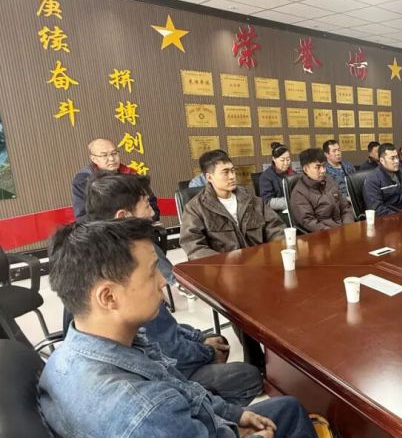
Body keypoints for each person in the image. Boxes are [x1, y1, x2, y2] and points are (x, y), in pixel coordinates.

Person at [40, 218, 316, 438]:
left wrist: (234, 416)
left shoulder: (64, 356)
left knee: (289, 407)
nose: (164, 281)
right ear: (108, 297)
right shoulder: (147, 409)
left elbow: (180, 386)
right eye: (152, 271)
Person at [82, 171, 263, 405]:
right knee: (247, 376)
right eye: (146, 205)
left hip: (155, 357)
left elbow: (166, 327)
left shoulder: (95, 254)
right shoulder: (127, 273)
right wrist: (206, 351)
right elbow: (165, 347)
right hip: (159, 376)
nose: (152, 213)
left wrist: (198, 338)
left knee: (213, 339)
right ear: (123, 216)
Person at [180, 150, 285, 368]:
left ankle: (283, 357)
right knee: (242, 306)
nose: (232, 176)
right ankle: (256, 362)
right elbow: (193, 246)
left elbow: (276, 228)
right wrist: (229, 264)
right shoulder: (196, 208)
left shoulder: (251, 200)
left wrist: (277, 252)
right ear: (209, 177)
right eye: (225, 172)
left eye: (233, 171)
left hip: (261, 268)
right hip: (227, 274)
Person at [71, 138, 159, 221]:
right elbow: (83, 218)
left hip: (138, 226)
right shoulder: (84, 180)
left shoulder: (130, 174)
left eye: (114, 153)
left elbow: (152, 206)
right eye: (104, 155)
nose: (111, 159)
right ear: (93, 159)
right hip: (104, 229)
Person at [291, 148, 355, 232]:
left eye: (324, 166)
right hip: (324, 234)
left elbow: (345, 207)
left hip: (342, 229)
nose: (323, 170)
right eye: (317, 167)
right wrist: (332, 232)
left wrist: (347, 226)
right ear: (305, 169)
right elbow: (308, 221)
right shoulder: (299, 192)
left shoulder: (329, 181)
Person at [363, 143, 402, 217]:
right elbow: (377, 209)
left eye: (397, 157)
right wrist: (401, 216)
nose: (396, 161)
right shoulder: (372, 179)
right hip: (388, 219)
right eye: (392, 158)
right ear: (382, 160)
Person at [259, 142, 295, 212]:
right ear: (274, 159)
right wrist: (292, 202)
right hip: (276, 213)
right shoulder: (266, 177)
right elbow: (267, 201)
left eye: (288, 159)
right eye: (282, 160)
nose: (286, 163)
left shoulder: (293, 174)